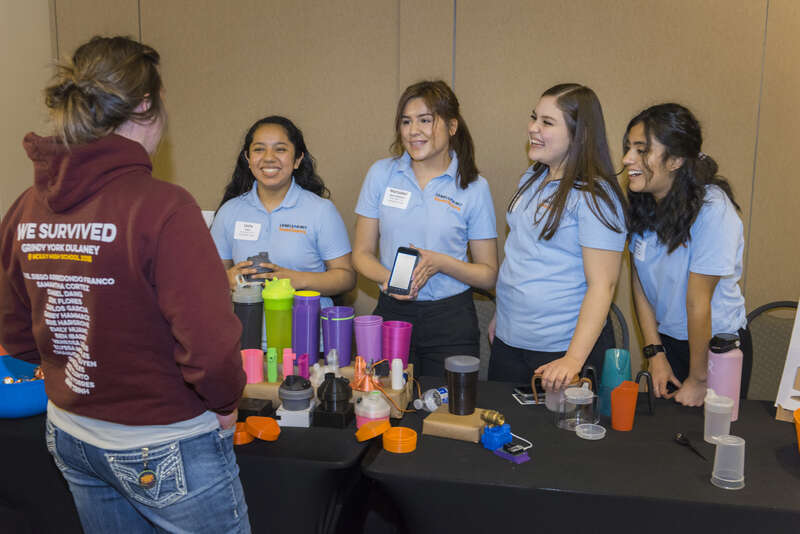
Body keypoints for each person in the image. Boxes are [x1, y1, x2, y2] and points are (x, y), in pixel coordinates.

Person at [0, 36, 250, 533]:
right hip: (163, 440)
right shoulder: (164, 207)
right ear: (145, 105)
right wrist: (226, 402)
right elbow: (209, 346)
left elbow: (18, 336)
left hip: (72, 432)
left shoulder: (26, 206)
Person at [353, 80, 498, 377]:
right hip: (392, 313)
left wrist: (440, 263)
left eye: (425, 120)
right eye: (406, 121)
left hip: (451, 319)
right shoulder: (381, 174)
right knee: (386, 399)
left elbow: (488, 274)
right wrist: (390, 279)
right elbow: (361, 254)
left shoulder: (473, 187)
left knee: (445, 403)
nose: (413, 131)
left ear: (452, 126)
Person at [488, 83, 627, 390]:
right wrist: (503, 314)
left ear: (579, 135)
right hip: (510, 339)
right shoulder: (532, 177)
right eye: (534, 117)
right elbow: (522, 254)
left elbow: (603, 285)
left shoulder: (595, 196)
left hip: (562, 350)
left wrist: (573, 360)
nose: (533, 128)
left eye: (547, 122)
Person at [624, 103, 751, 407]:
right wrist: (655, 354)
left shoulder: (712, 209)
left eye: (642, 150)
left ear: (675, 160)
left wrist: (698, 378)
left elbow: (698, 302)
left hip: (715, 351)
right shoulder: (643, 202)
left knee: (710, 433)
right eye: (628, 148)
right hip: (668, 344)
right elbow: (639, 282)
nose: (627, 158)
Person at [210, 116, 355, 318]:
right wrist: (225, 280)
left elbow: (346, 277)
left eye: (280, 149)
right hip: (247, 331)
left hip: (307, 331)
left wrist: (298, 280)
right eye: (259, 149)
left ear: (297, 160)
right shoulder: (229, 211)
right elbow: (208, 277)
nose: (269, 157)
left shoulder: (321, 210)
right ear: (248, 158)